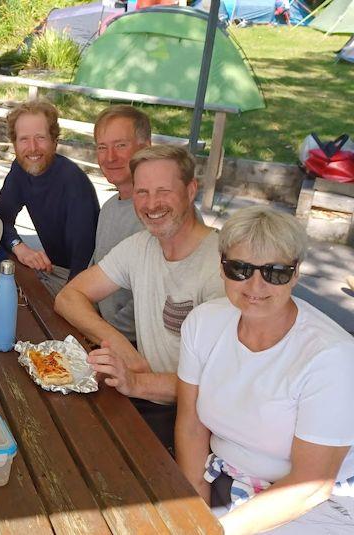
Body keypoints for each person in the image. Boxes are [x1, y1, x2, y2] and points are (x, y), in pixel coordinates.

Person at [176, 206, 354, 534]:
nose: (255, 286)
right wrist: (195, 503)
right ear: (222, 268)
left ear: (296, 273)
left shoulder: (331, 356)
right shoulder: (203, 323)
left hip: (310, 502)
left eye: (275, 272)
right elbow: (190, 423)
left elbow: (310, 485)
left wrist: (215, 531)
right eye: (240, 269)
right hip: (225, 477)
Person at [55, 145, 223, 451]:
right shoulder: (142, 245)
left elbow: (216, 386)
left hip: (199, 423)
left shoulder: (221, 267)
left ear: (191, 190)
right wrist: (118, 342)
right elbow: (69, 296)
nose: (151, 204)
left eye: (163, 191)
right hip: (149, 398)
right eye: (142, 192)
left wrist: (136, 383)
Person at [0, 98, 100, 296]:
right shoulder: (20, 169)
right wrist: (20, 247)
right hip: (53, 269)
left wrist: (66, 307)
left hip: (83, 277)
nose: (32, 148)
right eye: (24, 139)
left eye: (40, 138)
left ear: (54, 141)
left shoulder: (73, 182)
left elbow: (82, 260)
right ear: (14, 144)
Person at [90, 105, 152, 343]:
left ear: (144, 148)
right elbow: (93, 275)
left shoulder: (158, 214)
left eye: (121, 145)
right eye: (102, 147)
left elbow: (147, 305)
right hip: (101, 331)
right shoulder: (108, 208)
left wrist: (98, 338)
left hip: (133, 346)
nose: (110, 157)